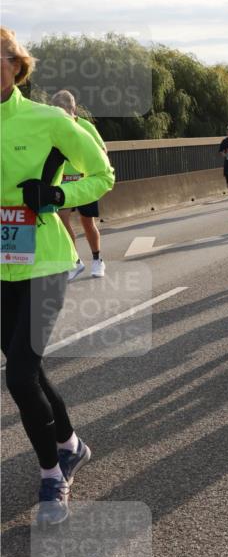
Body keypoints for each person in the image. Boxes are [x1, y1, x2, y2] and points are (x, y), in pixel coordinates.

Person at [1, 27, 115, 526]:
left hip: (45, 258)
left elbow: (103, 174)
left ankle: (52, 476)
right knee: (28, 366)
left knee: (20, 372)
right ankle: (71, 444)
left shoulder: (48, 120)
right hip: (2, 262)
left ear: (16, 65)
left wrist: (55, 196)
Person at [49, 90, 108, 280]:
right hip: (65, 183)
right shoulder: (54, 128)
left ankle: (97, 259)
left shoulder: (86, 127)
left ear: (72, 109)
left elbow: (102, 150)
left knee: (87, 222)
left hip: (85, 181)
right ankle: (74, 261)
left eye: (64, 111)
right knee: (61, 220)